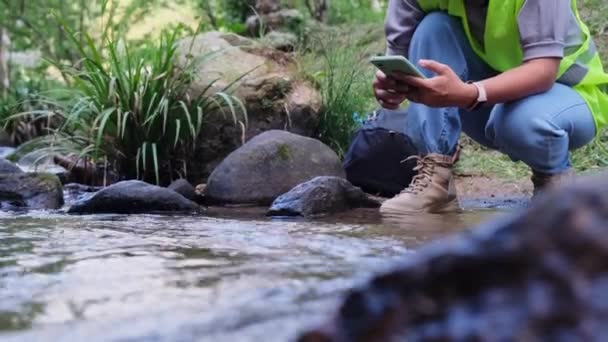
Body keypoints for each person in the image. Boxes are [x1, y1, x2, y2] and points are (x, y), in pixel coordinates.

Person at [373, 0, 608, 215]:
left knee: (521, 122)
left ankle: (554, 185)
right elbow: (398, 54)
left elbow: (543, 70)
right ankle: (435, 180)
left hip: (570, 98)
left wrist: (471, 93)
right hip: (487, 103)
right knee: (432, 27)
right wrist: (394, 82)